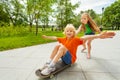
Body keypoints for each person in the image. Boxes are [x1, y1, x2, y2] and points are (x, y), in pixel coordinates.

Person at [40, 24, 115, 75]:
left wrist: (98, 36)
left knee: (62, 47)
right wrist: (47, 37)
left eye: (71, 31)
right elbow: (55, 37)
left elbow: (85, 37)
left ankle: (51, 67)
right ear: (65, 32)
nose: (69, 32)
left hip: (71, 59)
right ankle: (48, 63)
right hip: (64, 57)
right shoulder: (64, 39)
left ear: (73, 32)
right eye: (67, 31)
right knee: (57, 46)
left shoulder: (75, 39)